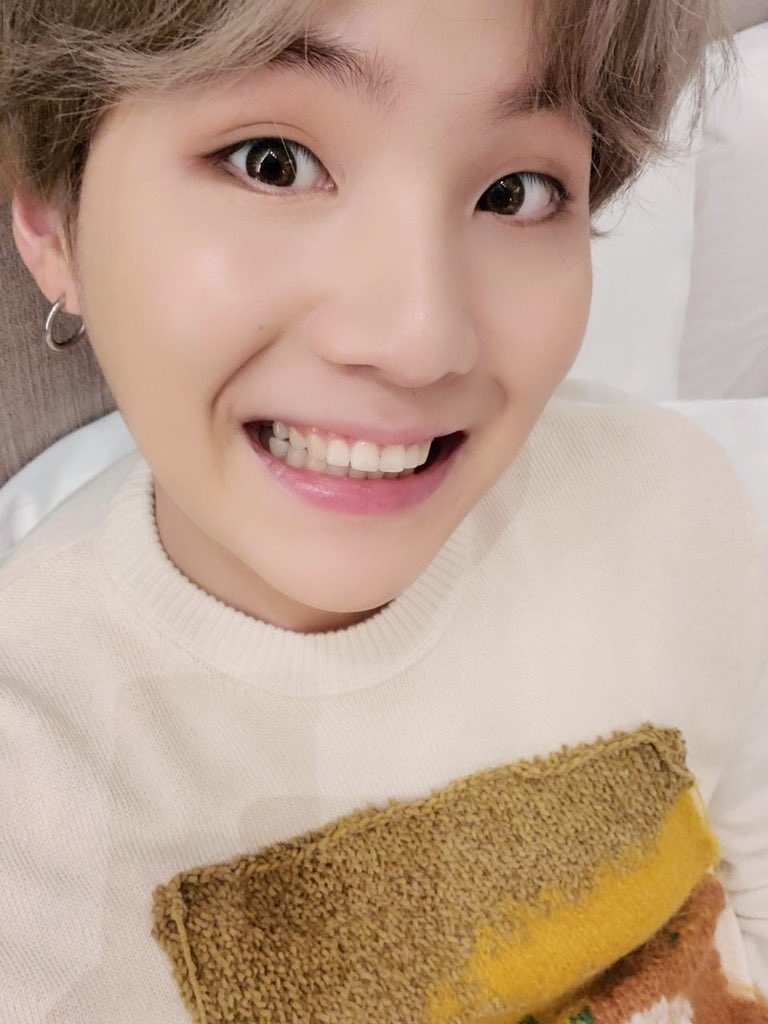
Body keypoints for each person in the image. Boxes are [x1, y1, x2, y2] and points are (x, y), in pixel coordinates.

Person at [1, 0, 766, 1021]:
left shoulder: (680, 510)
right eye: (272, 163)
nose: (419, 339)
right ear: (52, 217)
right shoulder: (30, 801)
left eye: (516, 192)